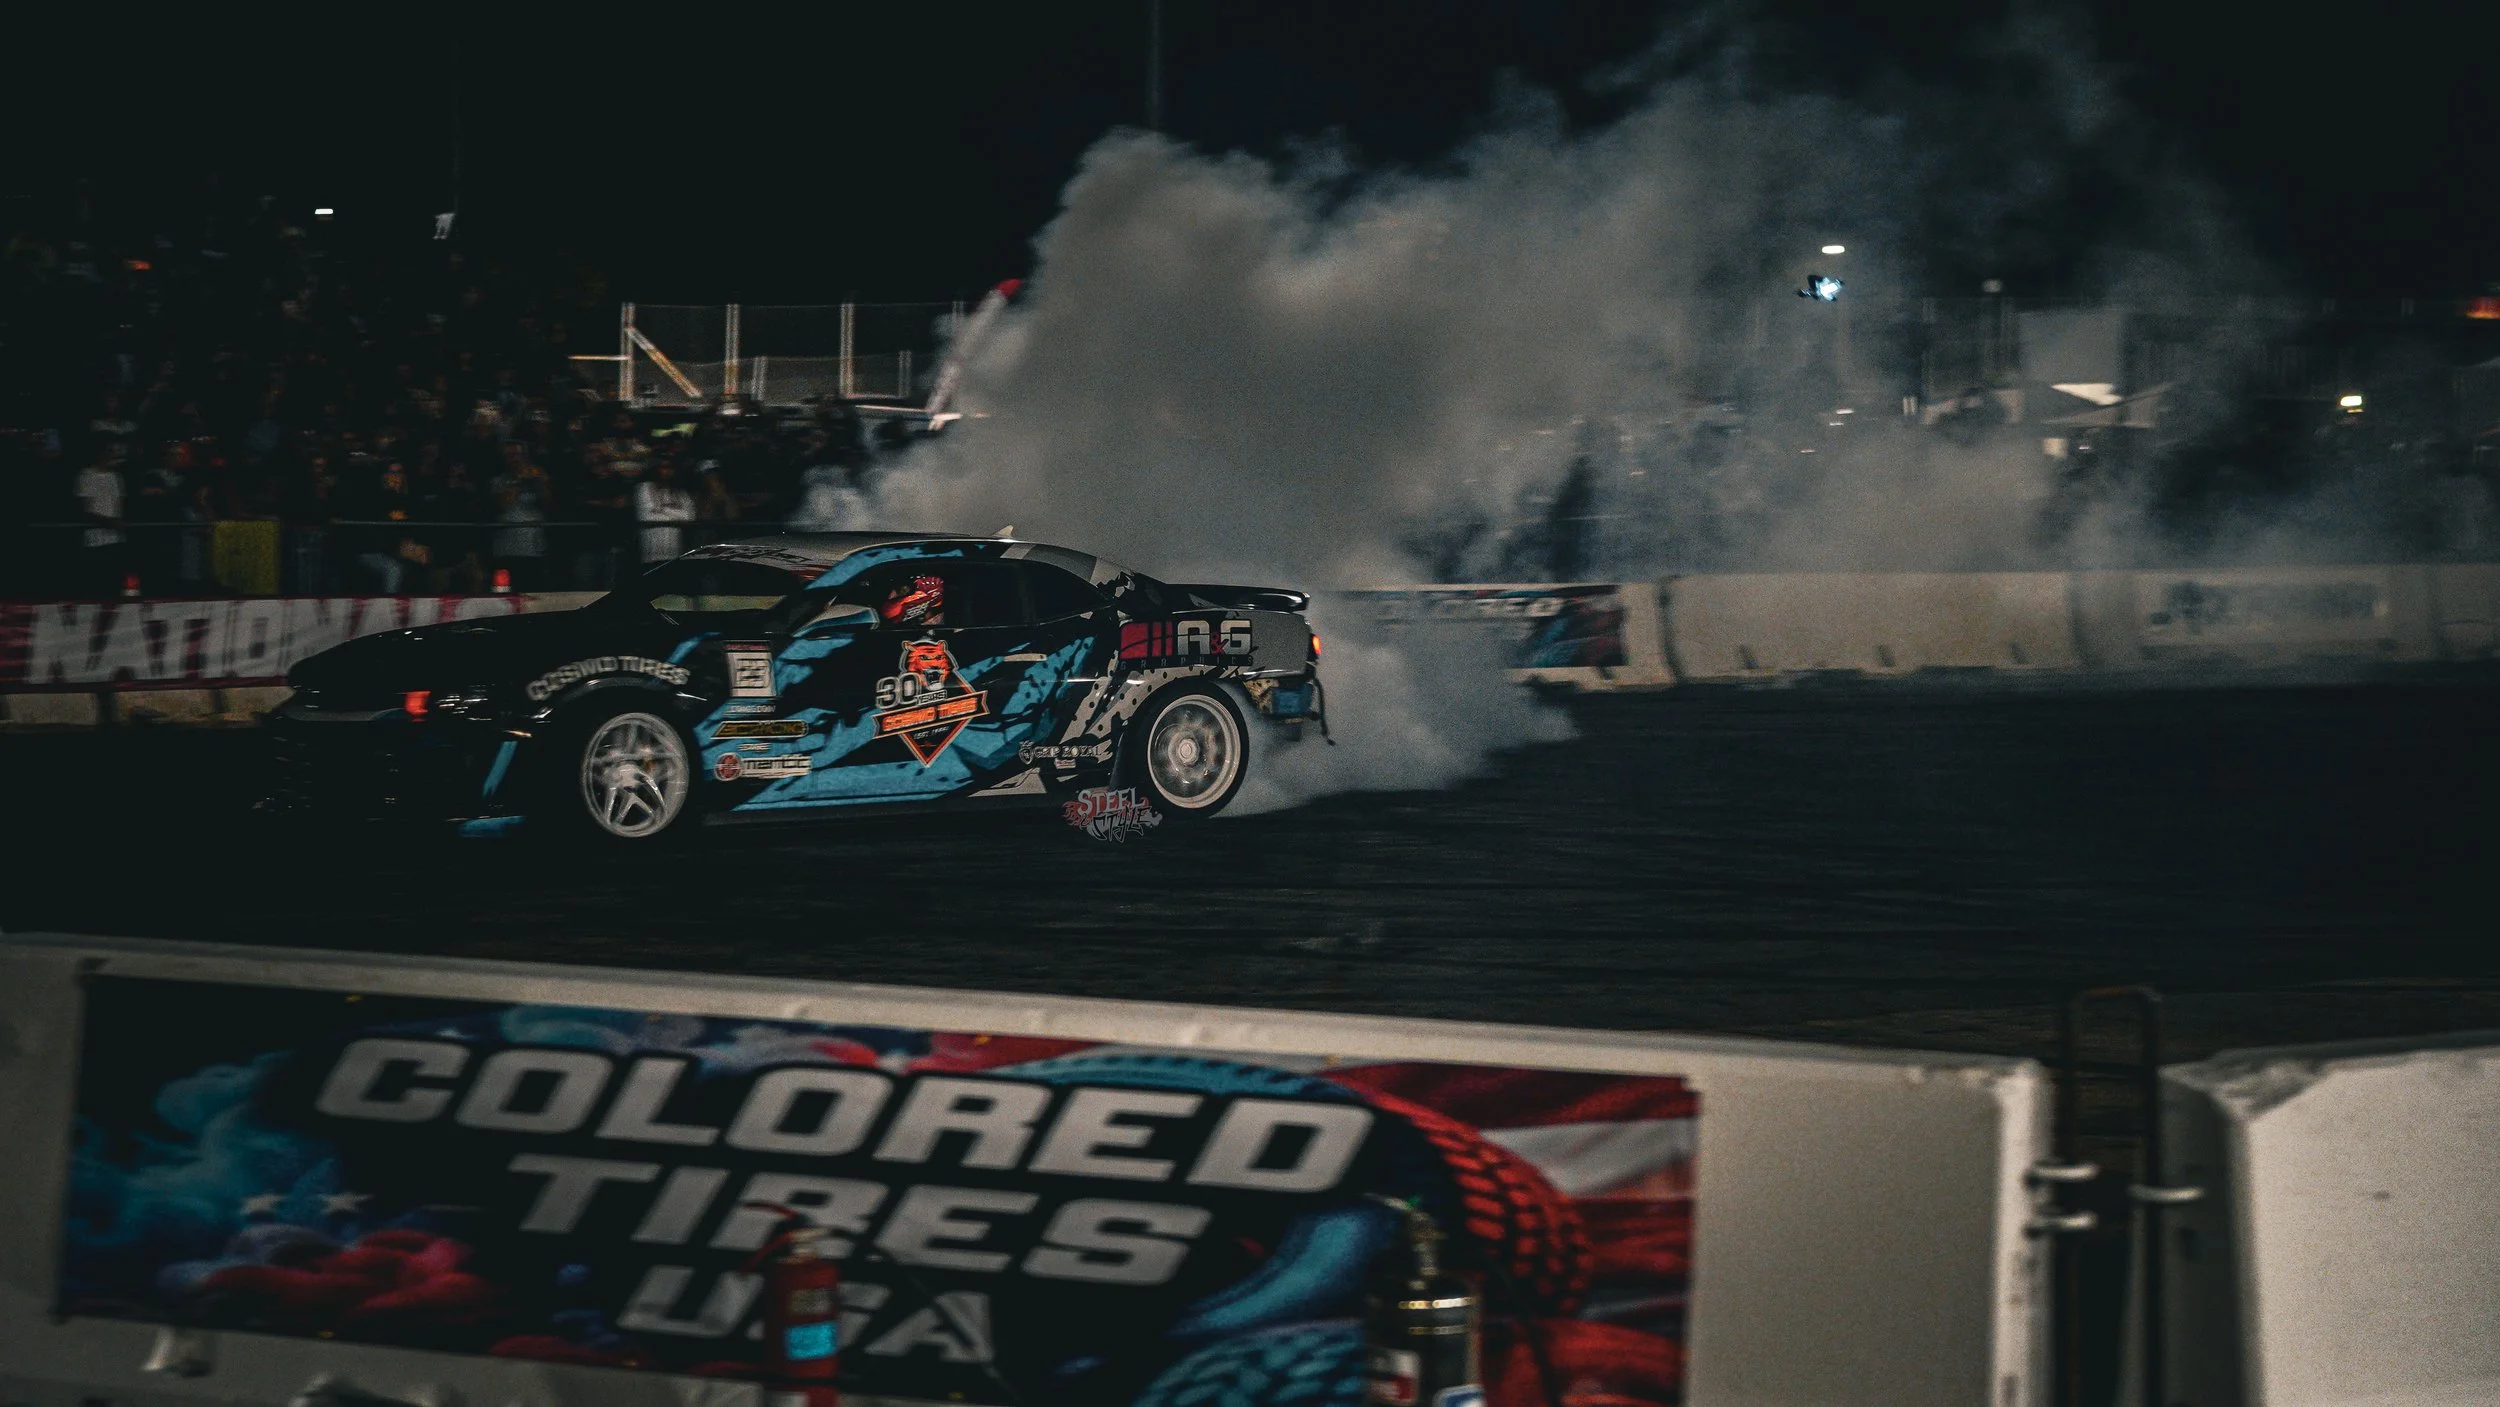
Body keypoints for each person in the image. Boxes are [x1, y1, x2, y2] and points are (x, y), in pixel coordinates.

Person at [73, 453, 127, 594]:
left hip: (115, 541)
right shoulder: (85, 476)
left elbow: (119, 507)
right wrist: (108, 522)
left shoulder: (116, 477)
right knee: (96, 589)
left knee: (115, 588)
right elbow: (83, 511)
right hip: (94, 542)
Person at [633, 459, 695, 565]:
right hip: (650, 554)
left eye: (669, 468)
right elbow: (647, 517)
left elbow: (689, 517)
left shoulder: (680, 493)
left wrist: (661, 509)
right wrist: (676, 514)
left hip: (674, 554)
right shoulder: (644, 488)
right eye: (663, 468)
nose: (666, 472)